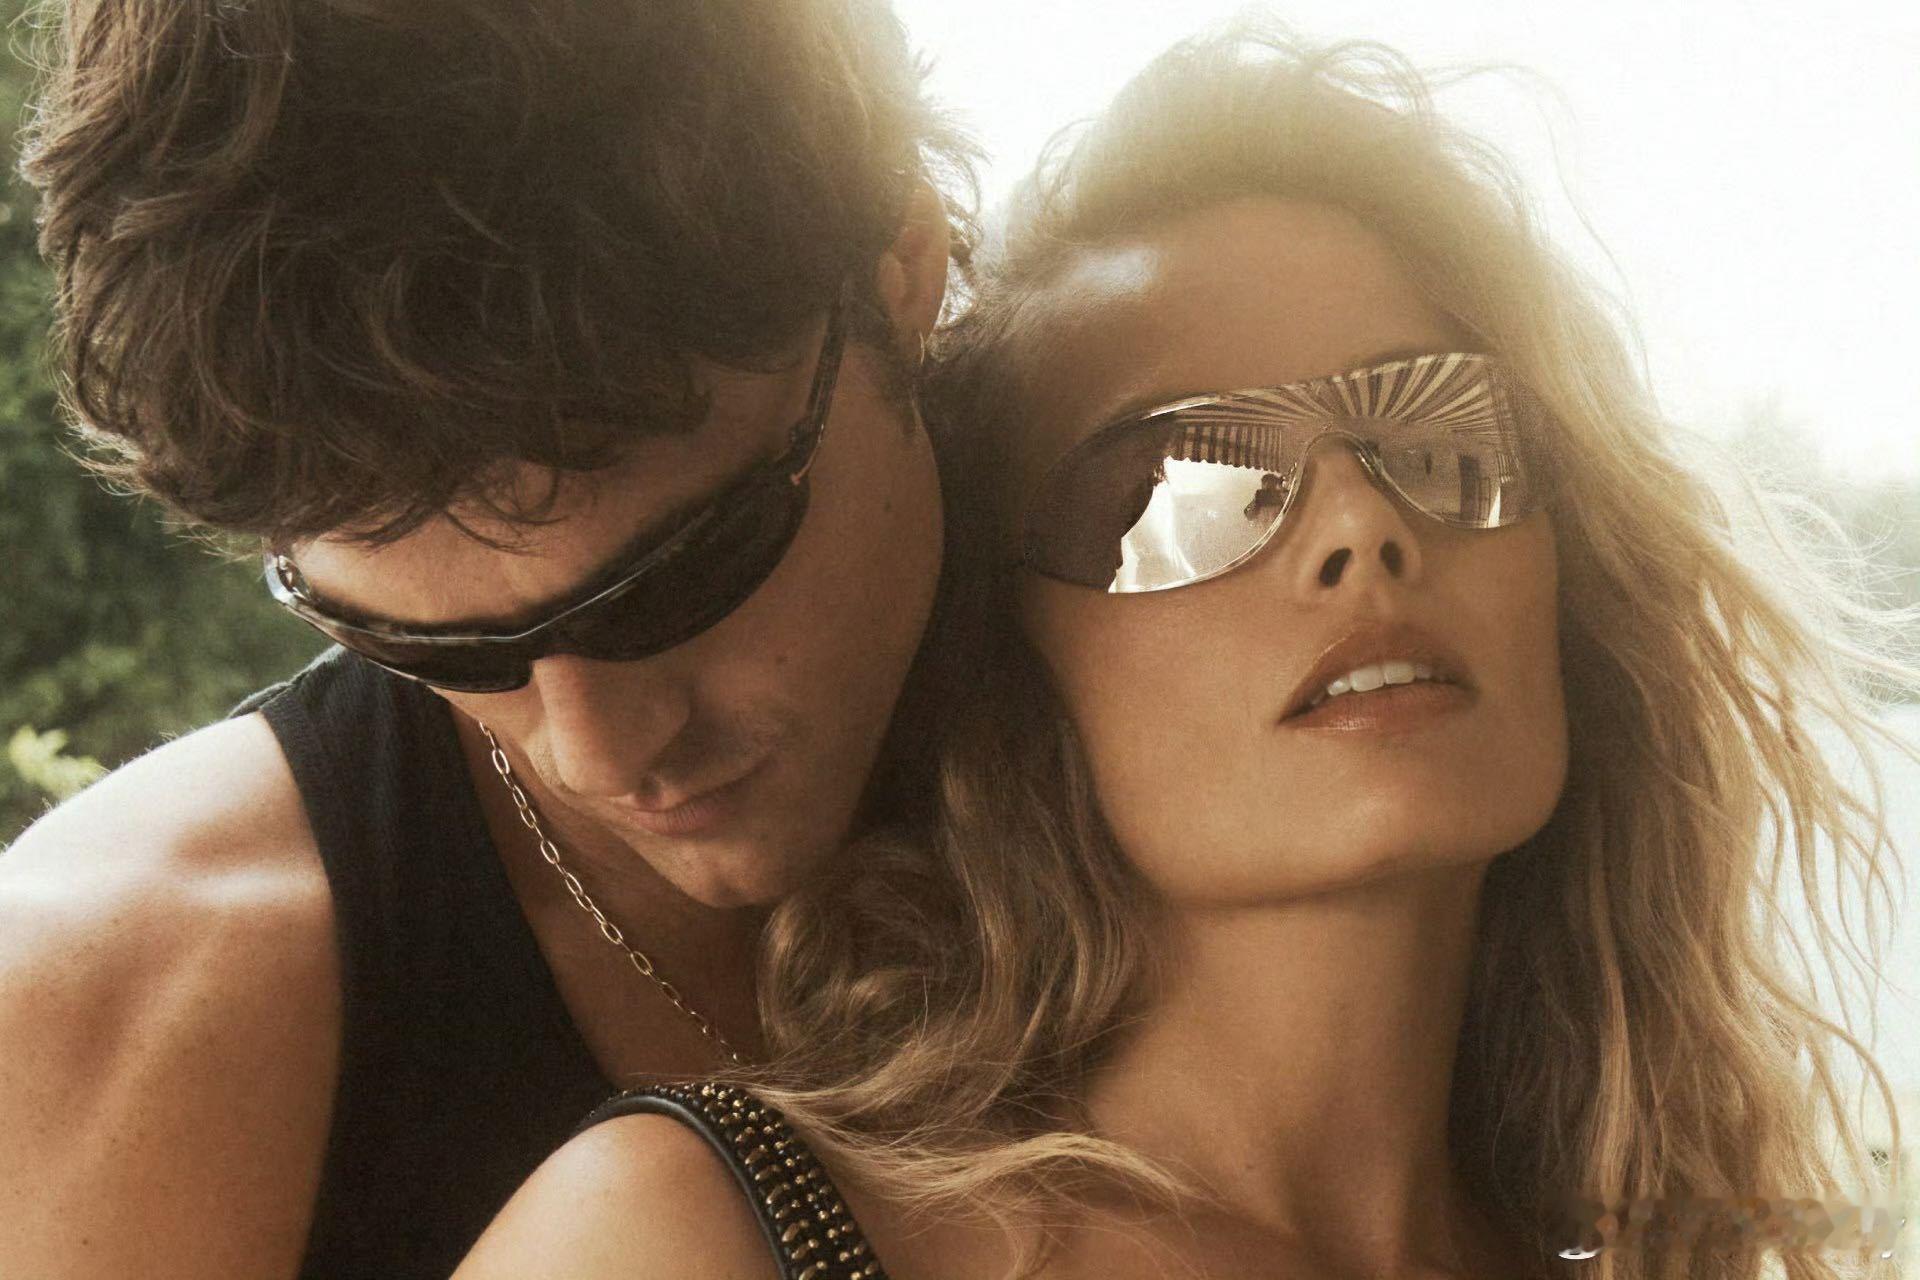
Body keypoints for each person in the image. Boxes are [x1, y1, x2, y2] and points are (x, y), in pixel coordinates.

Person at [452, 25, 1919, 1280]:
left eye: (1436, 433)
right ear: (1001, 659)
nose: (1361, 524)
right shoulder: (700, 1235)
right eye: (1182, 486)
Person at [0, 1, 977, 1276]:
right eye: (434, 649)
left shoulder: (1193, 601)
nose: (596, 749)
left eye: (684, 578)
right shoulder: (125, 1001)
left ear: (905, 272)